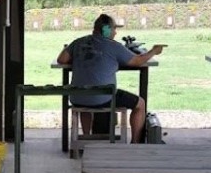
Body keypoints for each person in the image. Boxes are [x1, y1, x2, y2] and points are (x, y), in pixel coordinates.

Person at [56, 14, 165, 143]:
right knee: (140, 104)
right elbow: (137, 61)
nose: (115, 32)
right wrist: (153, 51)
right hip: (103, 97)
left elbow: (61, 59)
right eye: (113, 28)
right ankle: (136, 144)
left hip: (77, 96)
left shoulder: (78, 42)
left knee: (86, 98)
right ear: (106, 30)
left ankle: (87, 139)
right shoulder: (114, 46)